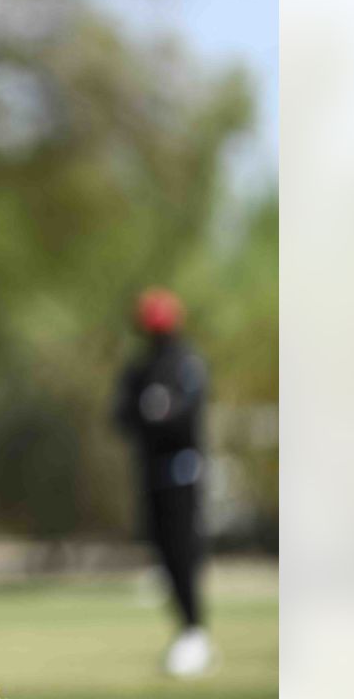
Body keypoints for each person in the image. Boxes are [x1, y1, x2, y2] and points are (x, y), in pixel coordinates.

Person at [114, 287, 214, 678]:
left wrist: (161, 416)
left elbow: (188, 414)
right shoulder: (139, 369)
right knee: (164, 554)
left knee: (183, 550)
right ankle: (187, 633)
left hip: (183, 470)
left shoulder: (187, 363)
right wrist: (150, 416)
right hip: (151, 472)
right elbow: (121, 416)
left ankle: (195, 635)